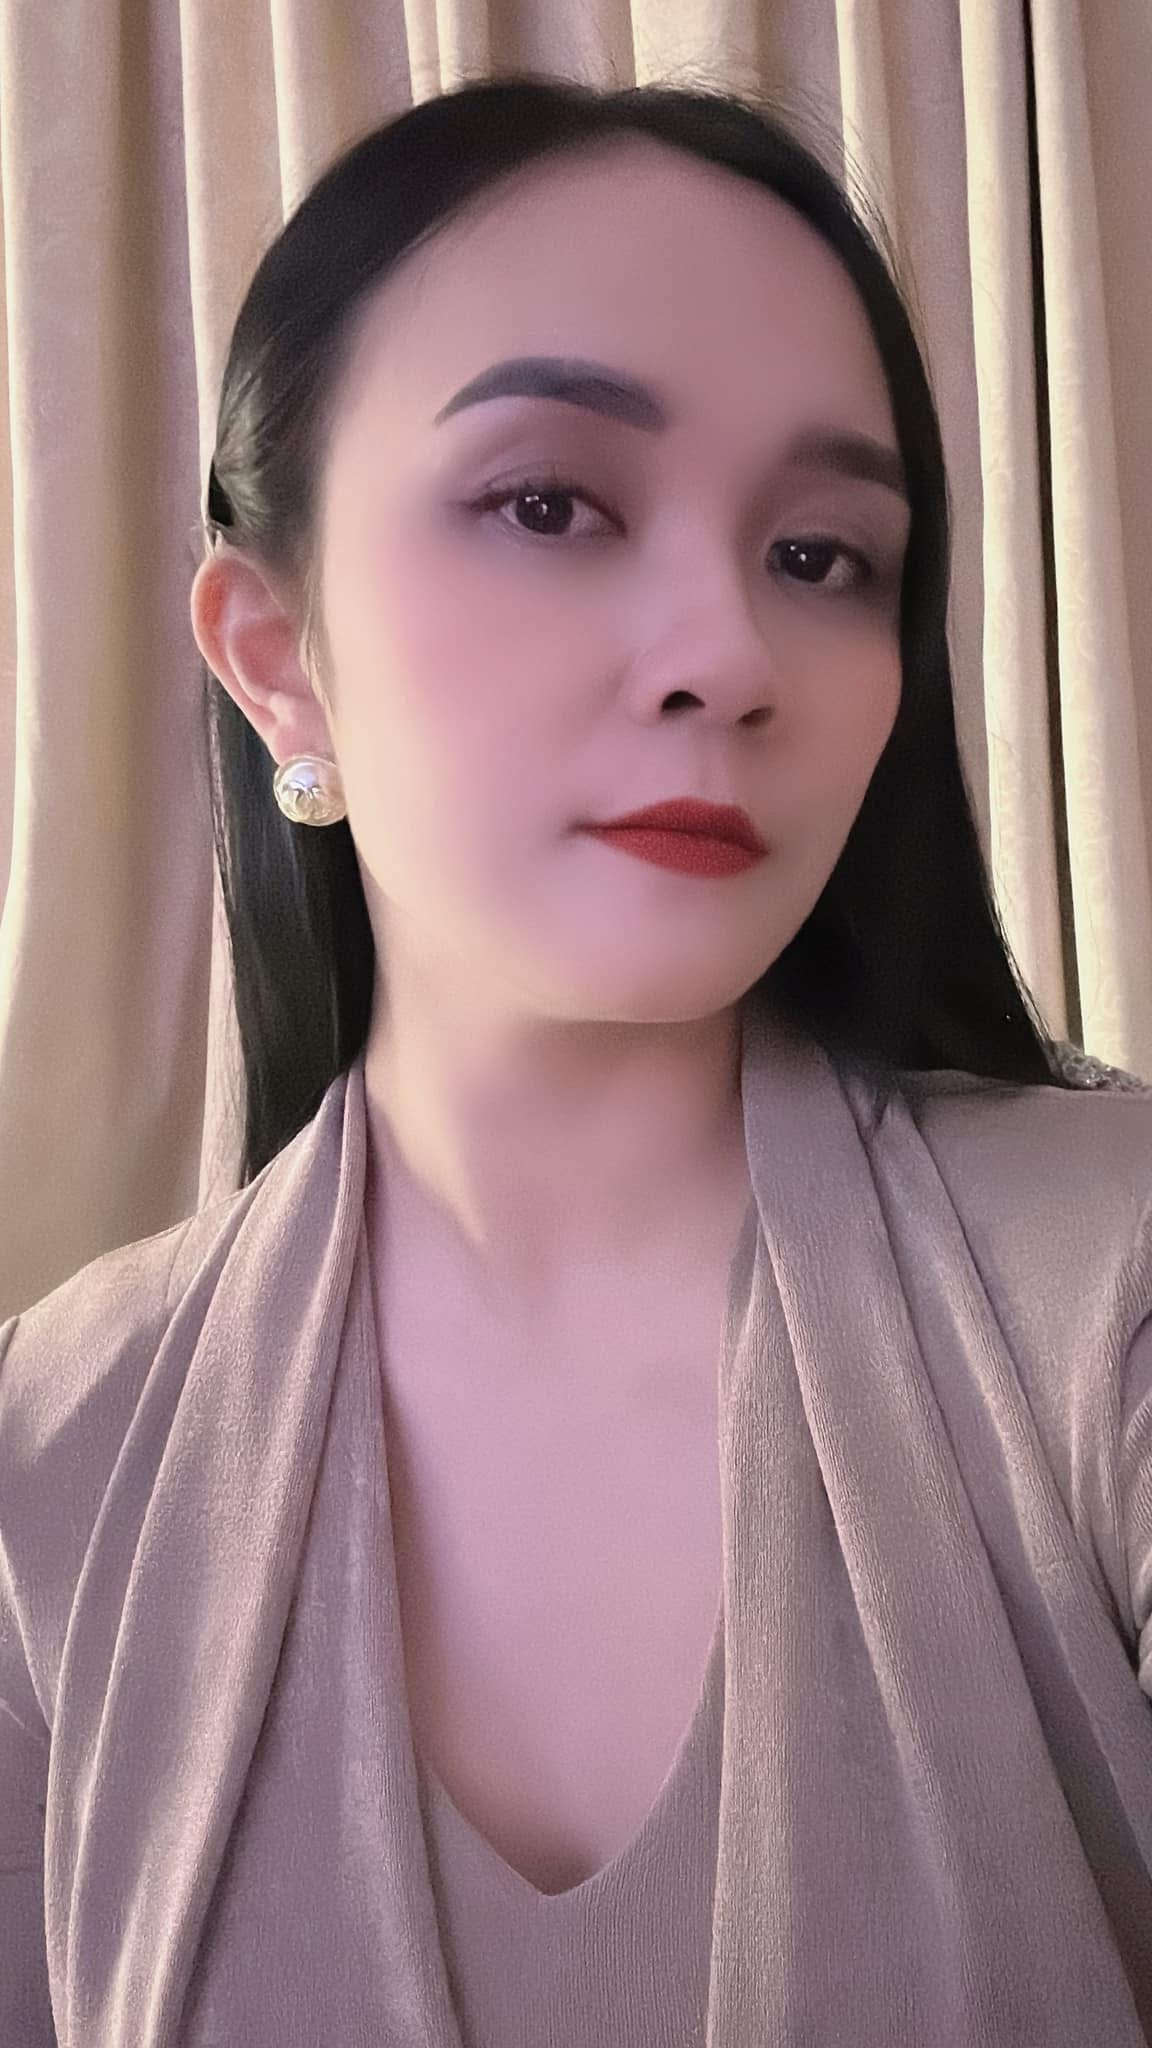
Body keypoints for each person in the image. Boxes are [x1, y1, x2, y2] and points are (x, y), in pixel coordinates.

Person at [3, 72, 1152, 2048]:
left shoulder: (1107, 1298)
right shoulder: (56, 1453)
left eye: (824, 555)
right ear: (276, 656)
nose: (730, 653)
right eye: (551, 504)